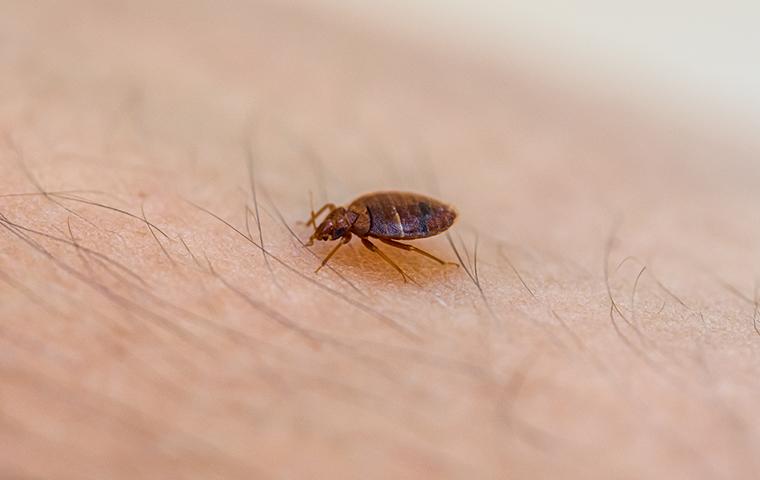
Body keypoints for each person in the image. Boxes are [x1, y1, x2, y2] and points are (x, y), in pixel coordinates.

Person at [1, 1, 758, 478]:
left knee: (410, 259)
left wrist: (406, 253)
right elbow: (342, 217)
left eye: (334, 231)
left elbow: (390, 235)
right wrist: (326, 227)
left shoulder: (376, 226)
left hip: (422, 217)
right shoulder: (352, 216)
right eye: (334, 230)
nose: (333, 234)